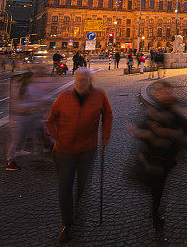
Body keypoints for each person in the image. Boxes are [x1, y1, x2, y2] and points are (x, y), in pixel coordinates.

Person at [46, 69, 113, 243]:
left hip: (87, 149)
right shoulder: (63, 97)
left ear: (90, 81)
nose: (80, 82)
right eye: (77, 79)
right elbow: (51, 119)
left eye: (84, 79)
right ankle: (67, 223)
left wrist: (106, 134)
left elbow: (107, 114)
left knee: (83, 184)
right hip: (64, 150)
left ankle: (78, 209)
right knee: (64, 187)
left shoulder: (99, 95)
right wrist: (56, 136)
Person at [131, 80, 187, 240]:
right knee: (157, 190)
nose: (162, 94)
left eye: (165, 91)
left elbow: (185, 132)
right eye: (159, 91)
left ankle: (155, 214)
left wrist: (167, 133)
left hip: (167, 161)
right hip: (154, 160)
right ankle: (157, 222)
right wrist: (148, 131)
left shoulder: (175, 111)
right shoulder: (152, 111)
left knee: (158, 189)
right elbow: (140, 130)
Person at [6, 71, 46, 170]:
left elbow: (33, 98)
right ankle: (10, 161)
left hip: (27, 116)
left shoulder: (28, 87)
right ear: (28, 79)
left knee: (26, 135)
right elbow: (18, 105)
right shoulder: (17, 88)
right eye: (32, 78)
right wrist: (33, 105)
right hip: (17, 118)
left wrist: (40, 102)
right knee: (15, 140)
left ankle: (21, 150)